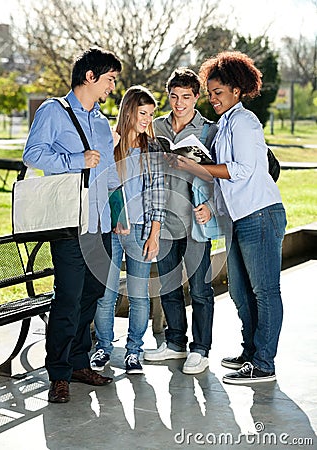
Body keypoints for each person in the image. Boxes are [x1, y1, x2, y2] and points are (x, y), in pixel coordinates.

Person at [171, 51, 287, 384]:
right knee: (239, 290)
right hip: (238, 219)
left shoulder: (245, 122)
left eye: (218, 93)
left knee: (265, 292)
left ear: (237, 90)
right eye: (210, 93)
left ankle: (264, 363)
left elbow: (243, 170)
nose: (213, 99)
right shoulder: (224, 125)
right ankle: (251, 351)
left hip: (260, 214)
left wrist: (197, 167)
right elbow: (224, 180)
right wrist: (212, 206)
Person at [23, 47, 122, 403]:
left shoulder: (100, 120)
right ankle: (59, 373)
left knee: (92, 294)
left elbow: (109, 173)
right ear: (90, 77)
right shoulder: (53, 110)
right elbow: (32, 153)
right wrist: (75, 160)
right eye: (109, 79)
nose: (113, 86)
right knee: (67, 297)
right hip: (69, 223)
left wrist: (118, 212)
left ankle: (80, 362)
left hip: (101, 223)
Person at [143, 68, 218, 375]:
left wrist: (211, 207)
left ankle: (201, 349)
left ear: (196, 97)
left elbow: (221, 176)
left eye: (186, 97)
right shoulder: (156, 126)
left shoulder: (209, 130)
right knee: (169, 285)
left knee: (200, 289)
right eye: (174, 96)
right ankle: (175, 343)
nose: (179, 103)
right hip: (165, 219)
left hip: (196, 222)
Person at [90, 85, 166, 374]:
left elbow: (158, 193)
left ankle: (134, 351)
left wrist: (155, 233)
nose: (147, 119)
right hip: (110, 231)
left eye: (150, 114)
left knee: (138, 294)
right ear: (128, 111)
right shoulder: (110, 143)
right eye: (142, 112)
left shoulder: (153, 148)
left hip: (141, 231)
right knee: (106, 294)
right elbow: (101, 183)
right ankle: (103, 348)